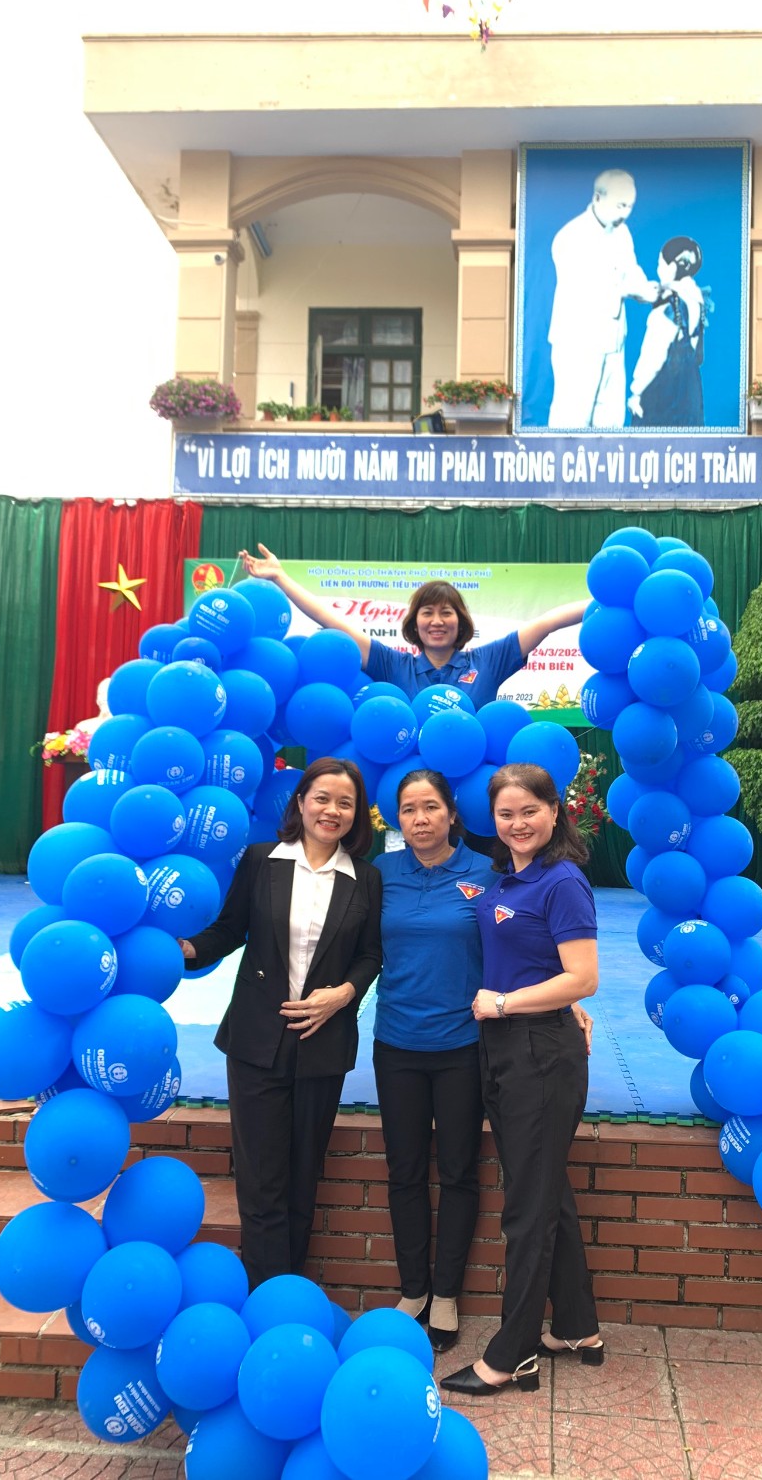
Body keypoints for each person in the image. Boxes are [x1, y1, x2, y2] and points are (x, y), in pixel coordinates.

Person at [178, 757, 382, 1290]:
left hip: (323, 1041)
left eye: (345, 803)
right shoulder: (260, 861)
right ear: (300, 802)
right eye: (322, 798)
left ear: (356, 814)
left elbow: (371, 955)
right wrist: (186, 950)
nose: (332, 810)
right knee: (261, 1177)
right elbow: (229, 930)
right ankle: (266, 1294)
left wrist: (344, 994)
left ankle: (289, 1289)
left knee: (303, 1173)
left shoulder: (366, 878)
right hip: (255, 1040)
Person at [442, 763, 602, 1398]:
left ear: (554, 812)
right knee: (544, 1191)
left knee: (527, 1209)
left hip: (538, 1053)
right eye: (506, 814)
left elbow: (583, 976)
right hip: (510, 1046)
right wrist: (551, 1001)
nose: (518, 823)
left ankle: (513, 1354)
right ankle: (579, 1326)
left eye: (530, 811)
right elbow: (543, 964)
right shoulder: (509, 876)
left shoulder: (562, 881)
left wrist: (510, 1003)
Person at [373, 768, 500, 1353]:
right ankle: (414, 1289)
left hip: (461, 1047)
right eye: (408, 809)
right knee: (403, 1171)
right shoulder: (381, 874)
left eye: (430, 807)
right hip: (396, 1043)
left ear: (451, 812)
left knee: (457, 1171)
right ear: (397, 819)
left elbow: (516, 945)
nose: (420, 819)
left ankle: (446, 1293)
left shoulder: (486, 872)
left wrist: (568, 1001)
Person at [238, 548, 587, 710]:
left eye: (446, 613)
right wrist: (281, 578)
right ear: (414, 624)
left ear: (461, 622)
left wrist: (609, 601)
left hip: (475, 800)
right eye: (427, 613)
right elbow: (332, 622)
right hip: (411, 803)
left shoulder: (488, 660)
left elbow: (548, 622)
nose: (437, 621)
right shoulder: (392, 664)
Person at [546, 168, 663, 430]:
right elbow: (584, 287)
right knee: (573, 418)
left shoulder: (622, 233)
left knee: (610, 420)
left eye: (630, 206)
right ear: (598, 197)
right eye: (621, 205)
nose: (626, 213)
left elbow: (630, 269)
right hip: (579, 341)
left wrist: (646, 289)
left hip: (613, 341)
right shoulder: (571, 236)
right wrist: (631, 289)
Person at [627, 237, 708, 428]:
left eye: (660, 264)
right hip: (690, 395)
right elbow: (698, 356)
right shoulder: (696, 301)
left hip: (662, 399)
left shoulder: (668, 306)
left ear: (672, 267)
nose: (658, 270)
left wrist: (636, 393)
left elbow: (653, 357)